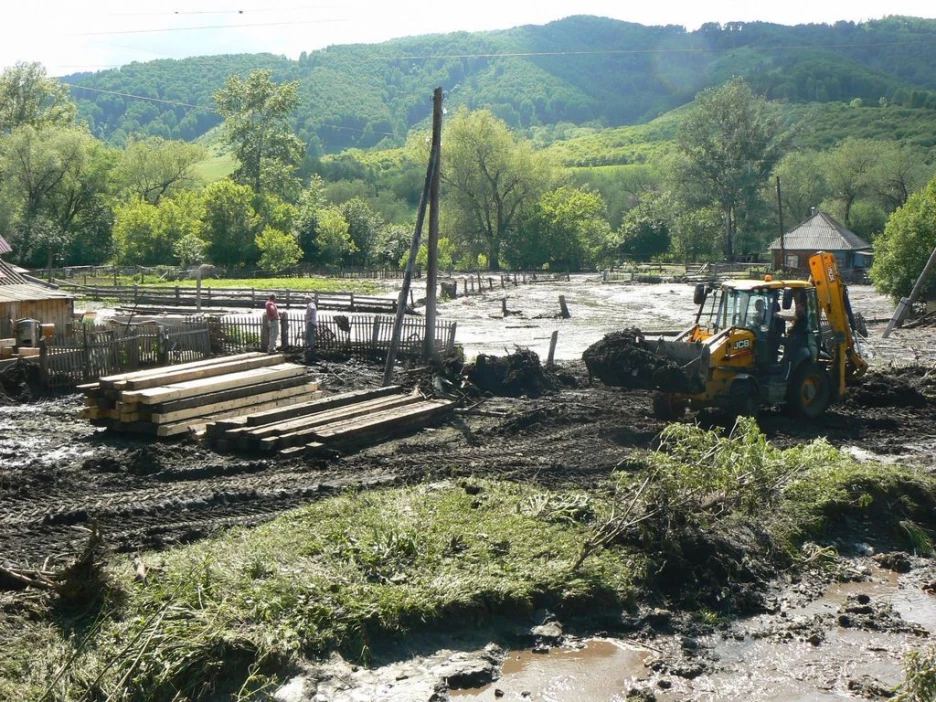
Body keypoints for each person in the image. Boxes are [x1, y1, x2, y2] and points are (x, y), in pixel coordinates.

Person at [304, 295, 317, 361]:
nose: (304, 301)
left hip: (310, 322)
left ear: (308, 300)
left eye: (305, 299)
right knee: (309, 334)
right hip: (311, 321)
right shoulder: (311, 304)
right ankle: (310, 346)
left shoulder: (310, 304)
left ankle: (311, 347)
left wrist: (309, 316)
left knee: (310, 334)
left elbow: (312, 309)